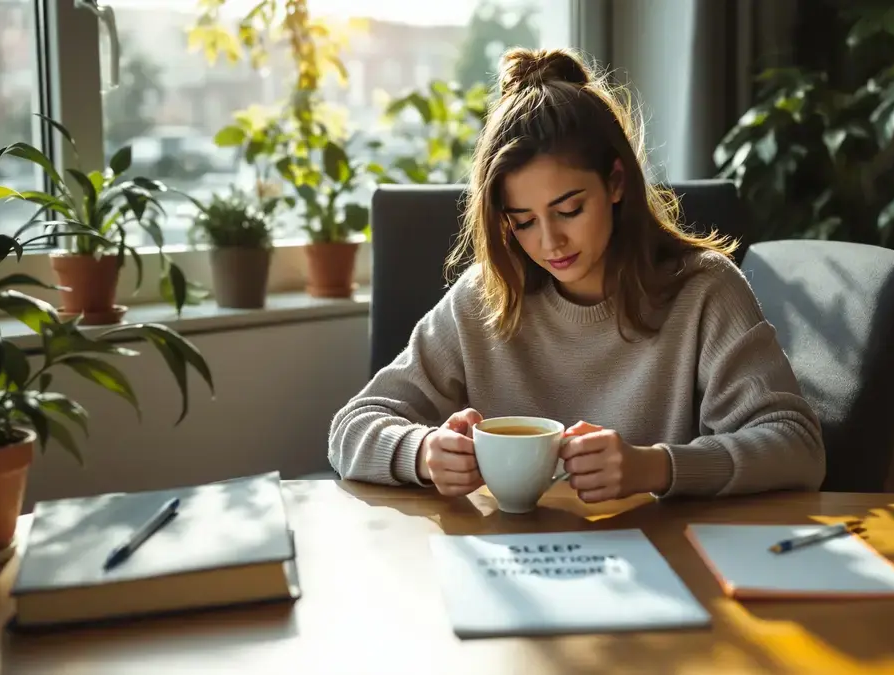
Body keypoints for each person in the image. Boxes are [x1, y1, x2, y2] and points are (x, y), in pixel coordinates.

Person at [328, 47, 825, 502]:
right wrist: (422, 453)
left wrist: (657, 467)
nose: (550, 243)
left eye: (569, 210)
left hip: (666, 556)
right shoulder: (485, 297)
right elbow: (351, 427)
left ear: (616, 181)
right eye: (523, 221)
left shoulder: (704, 291)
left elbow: (797, 446)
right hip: (509, 555)